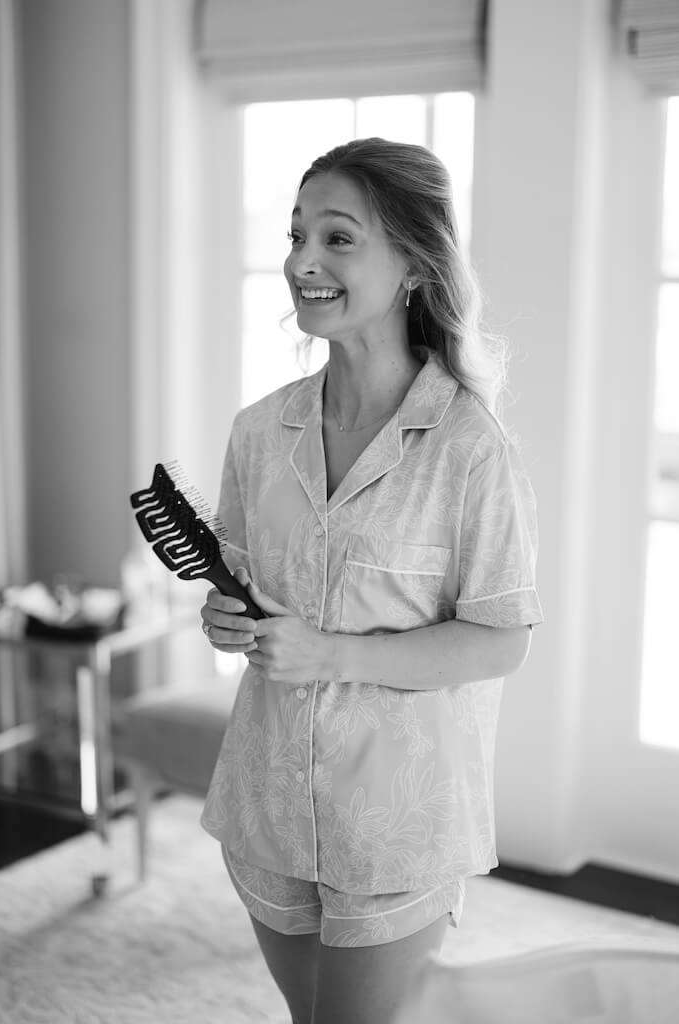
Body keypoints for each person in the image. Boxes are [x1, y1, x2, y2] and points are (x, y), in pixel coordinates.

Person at [199, 137, 543, 1024]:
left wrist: (328, 653)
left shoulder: (470, 449)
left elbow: (499, 639)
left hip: (395, 819)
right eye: (296, 234)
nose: (301, 261)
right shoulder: (255, 432)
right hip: (265, 798)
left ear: (415, 265)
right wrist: (226, 620)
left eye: (338, 238)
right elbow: (244, 582)